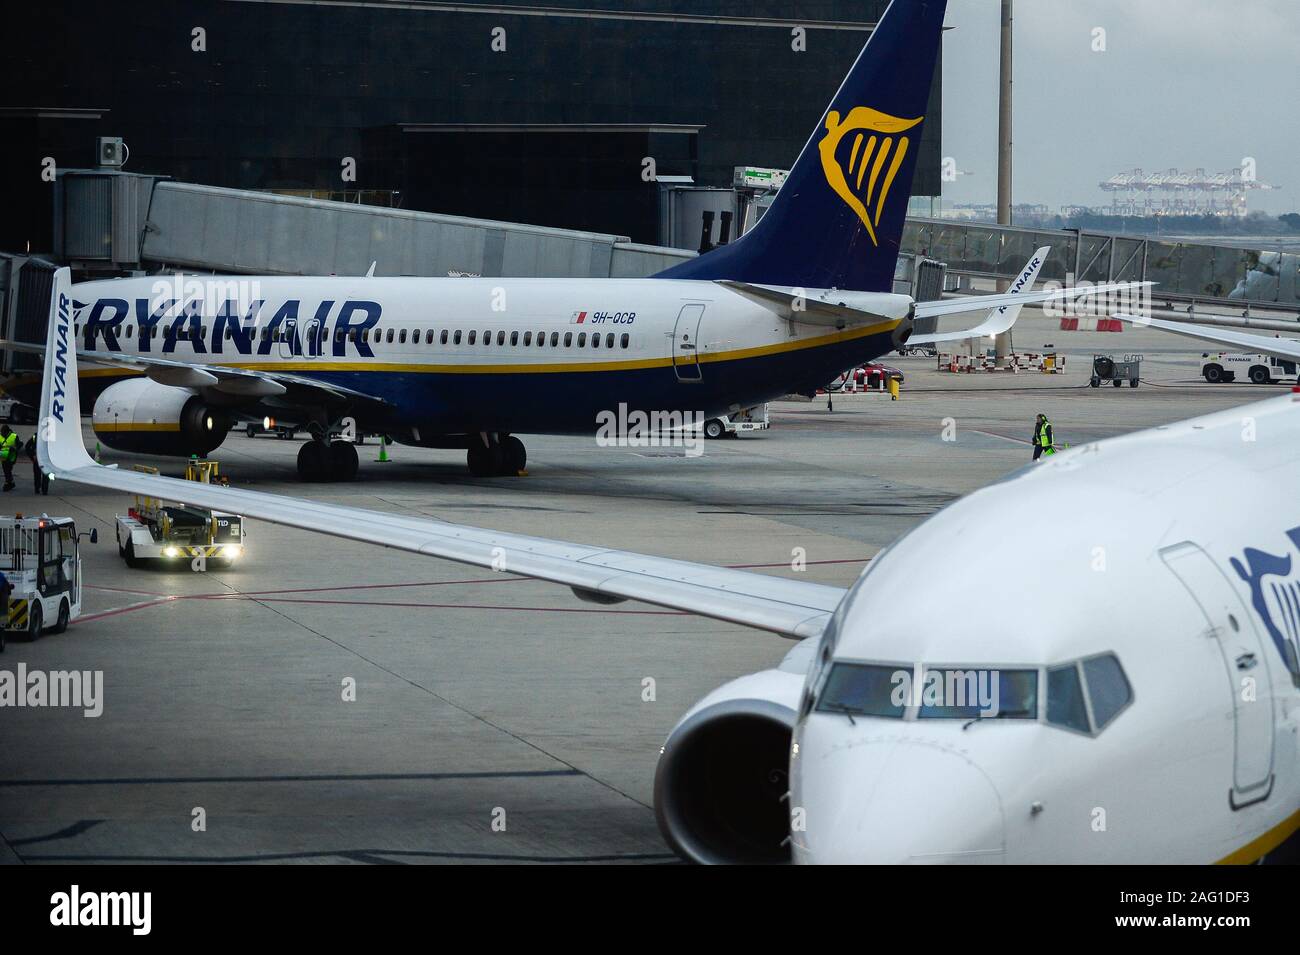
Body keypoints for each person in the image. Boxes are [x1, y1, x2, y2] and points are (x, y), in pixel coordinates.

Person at [0, 425, 17, 491]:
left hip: (11, 456)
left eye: (3, 432)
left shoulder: (14, 436)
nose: (2, 433)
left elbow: (20, 444)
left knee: (8, 470)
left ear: (7, 432)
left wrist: (15, 448)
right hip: (3, 455)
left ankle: (8, 483)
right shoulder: (0, 436)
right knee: (6, 470)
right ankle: (10, 482)